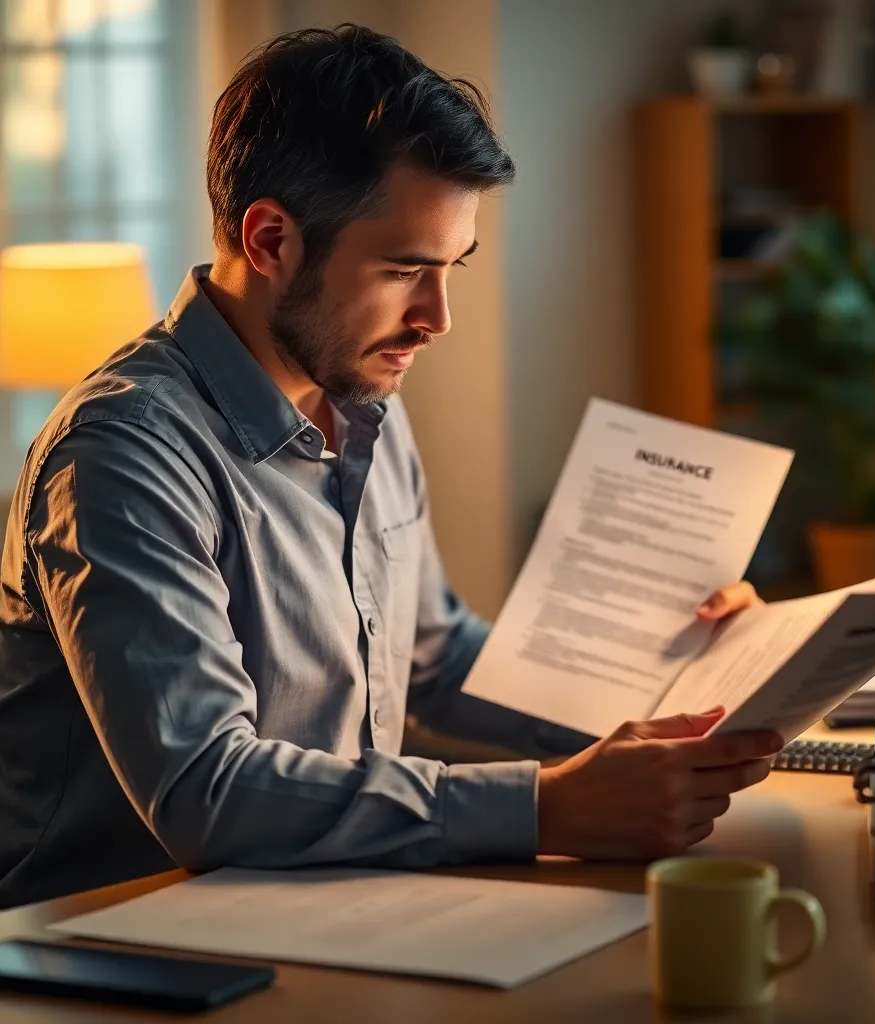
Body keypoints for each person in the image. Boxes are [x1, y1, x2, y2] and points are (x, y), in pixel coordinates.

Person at [0, 25, 781, 909]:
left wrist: (688, 688)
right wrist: (544, 806)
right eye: (407, 269)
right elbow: (206, 790)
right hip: (111, 953)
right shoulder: (124, 454)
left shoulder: (363, 399)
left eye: (451, 267)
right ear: (269, 240)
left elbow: (438, 661)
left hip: (318, 915)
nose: (438, 317)